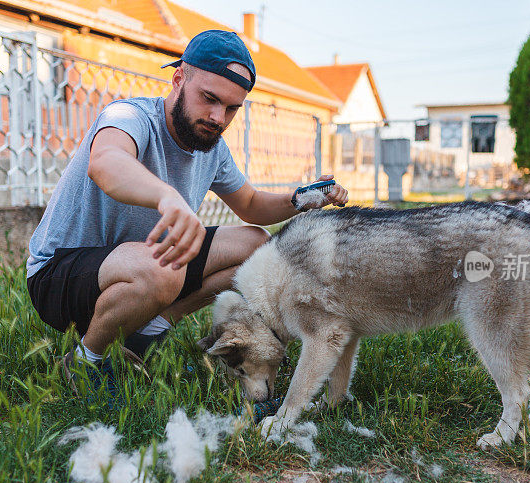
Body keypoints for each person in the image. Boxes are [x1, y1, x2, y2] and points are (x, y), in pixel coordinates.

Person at [25, 30, 348, 406]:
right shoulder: (129, 116)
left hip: (140, 267)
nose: (218, 117)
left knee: (256, 247)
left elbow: (251, 205)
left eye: (231, 108)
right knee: (163, 268)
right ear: (179, 79)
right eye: (209, 99)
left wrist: (304, 198)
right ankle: (87, 361)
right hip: (60, 278)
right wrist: (168, 197)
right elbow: (106, 163)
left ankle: (146, 334)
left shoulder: (212, 146)